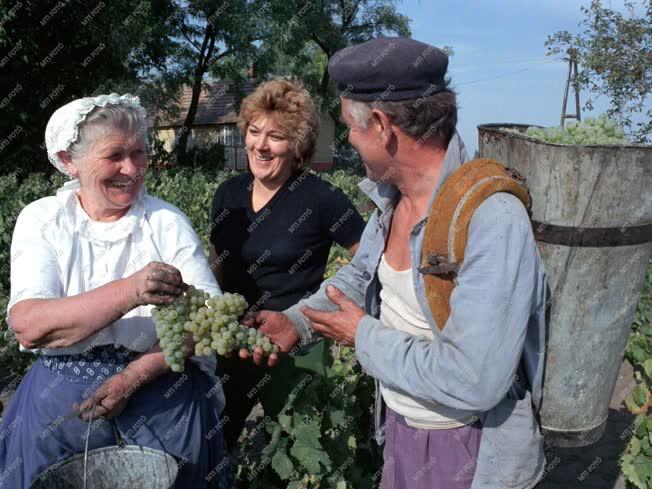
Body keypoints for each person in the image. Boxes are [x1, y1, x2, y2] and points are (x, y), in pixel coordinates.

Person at [243, 38, 548, 489]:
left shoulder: (491, 218)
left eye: (349, 125)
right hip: (402, 432)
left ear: (383, 126)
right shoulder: (392, 201)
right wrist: (296, 323)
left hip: (471, 451)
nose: (346, 138)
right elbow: (358, 275)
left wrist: (362, 335)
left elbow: (474, 379)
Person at [0, 94, 232, 489]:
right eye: (114, 155)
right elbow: (30, 324)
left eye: (139, 153)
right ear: (70, 160)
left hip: (163, 398)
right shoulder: (43, 220)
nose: (132, 169)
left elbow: (209, 319)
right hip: (61, 410)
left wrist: (132, 378)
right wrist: (132, 290)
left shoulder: (165, 222)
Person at [208, 78, 366, 449]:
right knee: (217, 442)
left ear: (297, 145)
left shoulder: (321, 198)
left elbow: (369, 260)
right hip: (233, 344)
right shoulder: (228, 194)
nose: (261, 145)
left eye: (276, 136)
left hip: (296, 346)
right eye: (255, 131)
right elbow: (216, 264)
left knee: (299, 450)